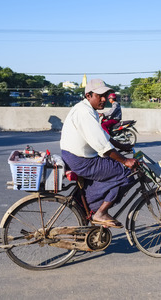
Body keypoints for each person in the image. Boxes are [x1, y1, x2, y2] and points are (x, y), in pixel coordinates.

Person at [60, 79, 138, 228]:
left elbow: (103, 136)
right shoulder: (85, 113)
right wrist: (125, 161)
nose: (104, 99)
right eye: (100, 95)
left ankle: (88, 206)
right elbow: (102, 145)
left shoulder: (88, 110)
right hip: (81, 160)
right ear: (88, 95)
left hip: (75, 156)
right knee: (125, 172)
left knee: (114, 169)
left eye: (106, 95)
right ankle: (100, 213)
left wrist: (122, 146)